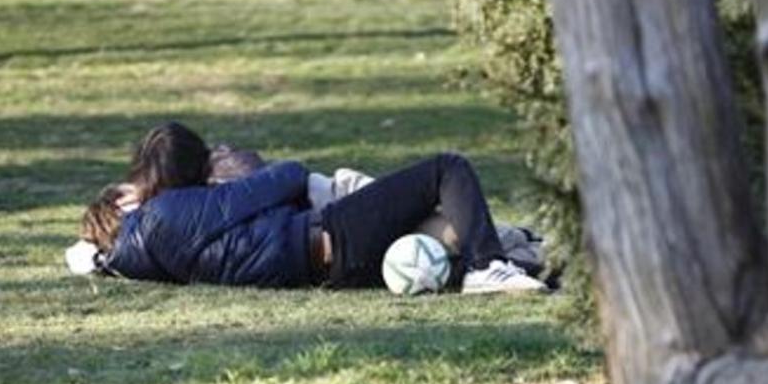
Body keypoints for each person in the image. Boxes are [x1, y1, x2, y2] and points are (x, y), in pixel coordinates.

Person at [68, 122, 547, 293]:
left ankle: (527, 261)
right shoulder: (169, 214)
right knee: (447, 169)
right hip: (329, 233)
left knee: (446, 233)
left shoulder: (131, 255)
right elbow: (288, 176)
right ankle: (491, 267)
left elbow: (93, 249)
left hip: (327, 266)